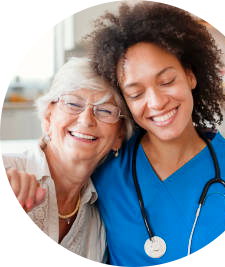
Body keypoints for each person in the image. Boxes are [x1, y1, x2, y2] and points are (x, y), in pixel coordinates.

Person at [88, 2, 225, 266]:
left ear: (191, 76)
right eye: (136, 93)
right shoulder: (106, 168)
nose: (157, 102)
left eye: (167, 81)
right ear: (124, 100)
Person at [2, 57, 134, 262]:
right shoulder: (8, 171)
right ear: (48, 118)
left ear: (119, 136)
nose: (86, 119)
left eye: (105, 110)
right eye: (73, 103)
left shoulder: (99, 221)